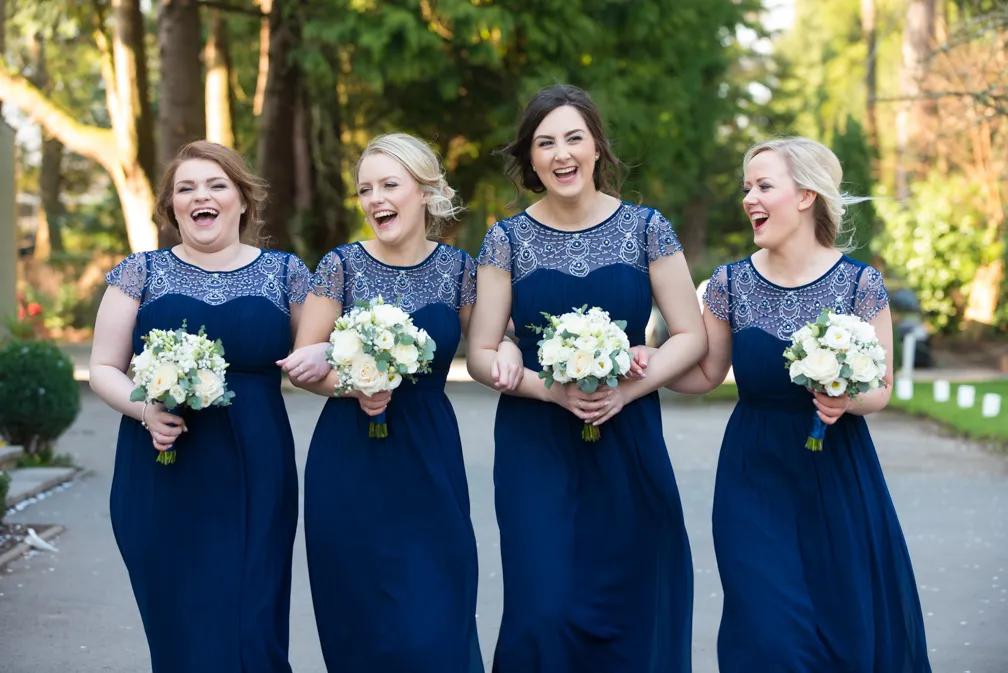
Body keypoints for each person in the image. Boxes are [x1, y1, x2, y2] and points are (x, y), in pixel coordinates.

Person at [653, 136, 932, 671]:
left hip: (839, 477)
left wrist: (844, 400)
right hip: (753, 478)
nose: (749, 198)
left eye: (763, 186)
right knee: (768, 630)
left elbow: (882, 388)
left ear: (806, 195)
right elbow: (709, 372)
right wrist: (645, 370)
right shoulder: (731, 283)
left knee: (842, 627)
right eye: (746, 188)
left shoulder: (860, 283)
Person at [465, 84, 708, 672]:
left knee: (630, 596)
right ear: (531, 159)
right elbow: (480, 351)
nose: (561, 153)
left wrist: (629, 389)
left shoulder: (647, 228)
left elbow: (690, 335)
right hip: (535, 446)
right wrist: (547, 387)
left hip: (628, 438)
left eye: (574, 137)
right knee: (542, 605)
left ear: (598, 147)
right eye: (545, 143)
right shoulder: (506, 238)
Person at [279, 132, 519, 672]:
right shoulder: (340, 266)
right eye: (366, 189)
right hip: (348, 460)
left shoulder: (460, 270)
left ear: (425, 192)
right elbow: (306, 366)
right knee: (359, 614)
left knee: (438, 609)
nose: (375, 199)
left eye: (390, 184)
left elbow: (491, 338)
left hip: (427, 454)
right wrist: (351, 383)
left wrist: (505, 346)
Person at [89, 140, 310, 672]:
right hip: (162, 470)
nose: (199, 196)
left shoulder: (287, 274)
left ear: (242, 200)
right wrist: (145, 411)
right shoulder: (139, 273)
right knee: (181, 626)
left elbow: (316, 361)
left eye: (215, 185)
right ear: (171, 208)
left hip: (257, 468)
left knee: (250, 619)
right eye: (185, 188)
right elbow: (102, 368)